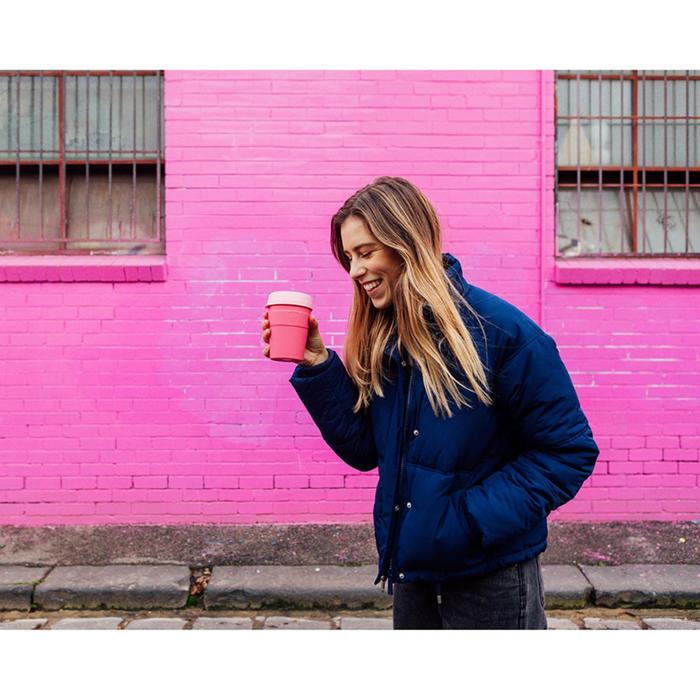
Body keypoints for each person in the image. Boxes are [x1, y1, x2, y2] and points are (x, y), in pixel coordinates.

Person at [261, 176, 599, 629]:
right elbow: (365, 450)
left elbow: (568, 453)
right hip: (414, 577)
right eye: (349, 258)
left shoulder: (504, 333)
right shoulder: (387, 338)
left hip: (490, 578)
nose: (355, 270)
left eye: (365, 252)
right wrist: (320, 366)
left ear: (406, 243)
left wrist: (466, 523)